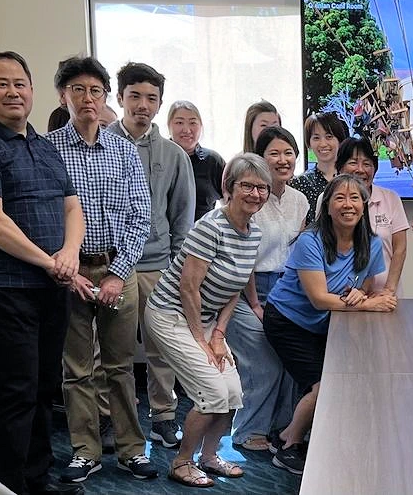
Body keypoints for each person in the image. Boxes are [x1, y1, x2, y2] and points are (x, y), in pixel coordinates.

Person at [0, 51, 85, 495]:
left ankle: (35, 479)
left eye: (20, 83)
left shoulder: (43, 146)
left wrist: (70, 253)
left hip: (49, 288)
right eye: (1, 83)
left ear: (32, 90)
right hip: (4, 289)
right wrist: (53, 262)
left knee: (46, 388)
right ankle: (7, 486)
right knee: (17, 391)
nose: (13, 92)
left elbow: (71, 206)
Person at [46, 56, 157, 483]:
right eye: (78, 90)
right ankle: (85, 450)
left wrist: (117, 273)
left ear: (105, 97)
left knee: (121, 367)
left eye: (95, 91)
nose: (88, 98)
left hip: (117, 270)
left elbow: (139, 216)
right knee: (76, 370)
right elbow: (41, 216)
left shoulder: (125, 150)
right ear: (63, 96)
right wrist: (65, 270)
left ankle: (131, 449)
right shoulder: (48, 150)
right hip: (67, 273)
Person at [143, 154, 270, 487]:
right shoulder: (210, 227)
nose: (255, 194)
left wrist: (219, 335)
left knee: (232, 392)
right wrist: (201, 339)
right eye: (247, 185)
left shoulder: (253, 232)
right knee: (213, 392)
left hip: (208, 319)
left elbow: (236, 285)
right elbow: (188, 288)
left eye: (262, 187)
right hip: (170, 315)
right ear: (229, 188)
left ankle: (210, 457)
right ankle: (181, 462)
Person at [263, 175, 397, 475]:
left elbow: (362, 284)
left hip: (324, 324)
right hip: (287, 320)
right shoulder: (311, 240)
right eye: (339, 198)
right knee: (323, 386)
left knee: (346, 378)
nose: (347, 204)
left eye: (354, 198)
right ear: (326, 205)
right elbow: (320, 299)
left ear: (364, 204)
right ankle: (288, 444)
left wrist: (361, 293)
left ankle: (290, 434)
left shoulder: (371, 243)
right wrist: (369, 302)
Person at [106, 62, 195, 449]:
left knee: (161, 350)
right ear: (120, 97)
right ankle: (115, 420)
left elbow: (182, 216)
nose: (143, 104)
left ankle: (163, 416)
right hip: (110, 267)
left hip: (158, 266)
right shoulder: (101, 145)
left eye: (151, 98)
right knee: (116, 352)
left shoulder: (173, 155)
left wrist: (178, 269)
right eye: (135, 96)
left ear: (159, 104)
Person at [229, 126, 307, 452]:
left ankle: (283, 429)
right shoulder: (250, 197)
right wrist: (256, 303)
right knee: (264, 361)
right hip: (248, 288)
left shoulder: (300, 200)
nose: (282, 159)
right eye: (274, 153)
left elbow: (300, 248)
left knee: (291, 359)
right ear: (261, 158)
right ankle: (247, 432)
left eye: (288, 152)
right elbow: (244, 256)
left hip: (288, 288)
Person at [335, 137, 409, 296]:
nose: (360, 170)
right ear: (340, 168)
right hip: (344, 296)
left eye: (367, 164)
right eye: (353, 162)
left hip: (386, 296)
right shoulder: (329, 200)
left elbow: (400, 249)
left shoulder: (391, 198)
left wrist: (389, 290)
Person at [167, 100, 227, 221]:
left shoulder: (213, 161)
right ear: (169, 125)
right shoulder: (160, 158)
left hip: (205, 235)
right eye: (179, 122)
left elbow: (229, 202)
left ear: (201, 126)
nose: (187, 130)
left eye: (193, 123)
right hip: (165, 236)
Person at [289, 112, 349, 225]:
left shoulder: (351, 179)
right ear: (309, 143)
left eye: (329, 137)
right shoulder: (300, 183)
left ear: (339, 140)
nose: (323, 144)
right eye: (316, 138)